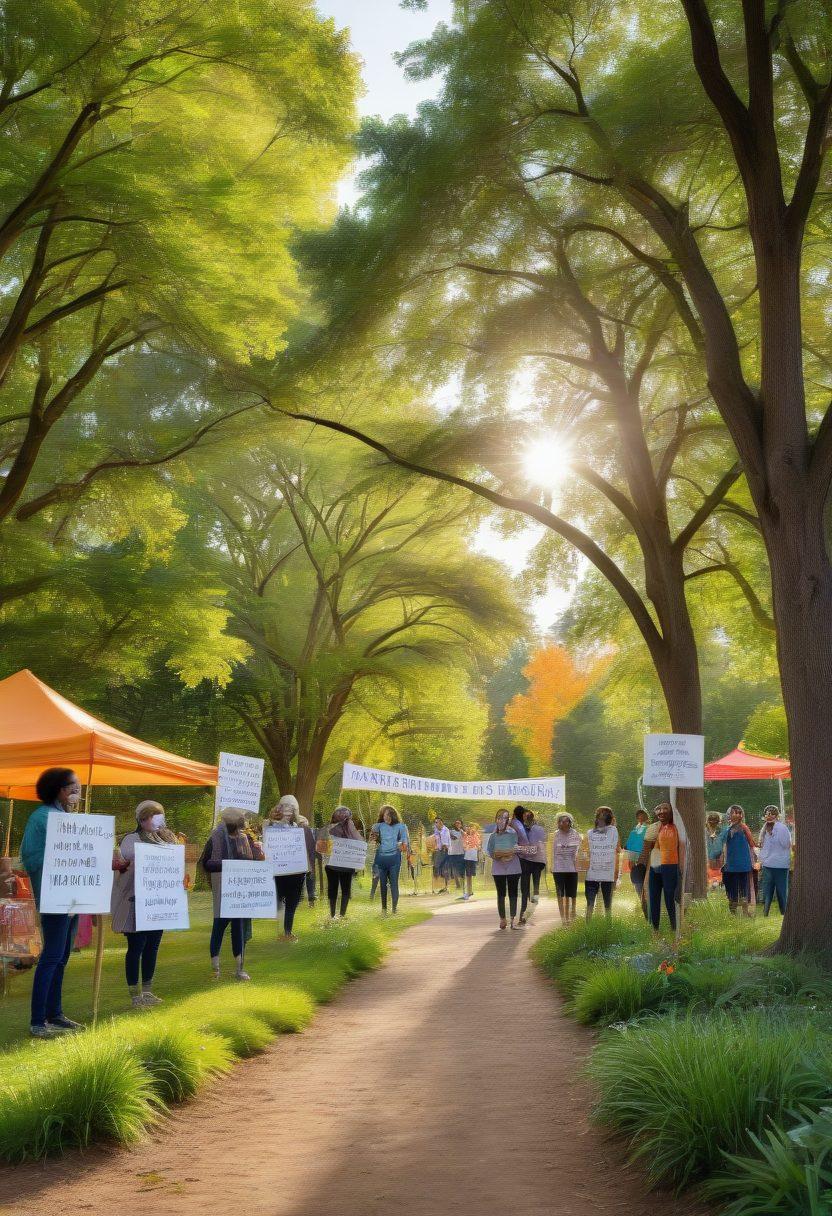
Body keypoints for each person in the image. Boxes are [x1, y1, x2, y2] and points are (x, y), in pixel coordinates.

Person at [20, 768, 85, 1038]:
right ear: (60, 789)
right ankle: (38, 1021)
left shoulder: (62, 817)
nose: (77, 793)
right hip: (54, 896)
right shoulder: (45, 818)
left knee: (62, 957)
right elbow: (34, 859)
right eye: (74, 787)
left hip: (71, 897)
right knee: (52, 956)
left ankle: (54, 1014)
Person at [111, 800, 180, 1007]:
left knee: (153, 946)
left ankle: (148, 991)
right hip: (136, 903)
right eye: (153, 816)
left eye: (160, 816)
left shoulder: (165, 840)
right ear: (142, 820)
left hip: (158, 903)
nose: (158, 821)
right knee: (137, 946)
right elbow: (127, 863)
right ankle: (135, 995)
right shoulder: (131, 840)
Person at [200, 806, 263, 980]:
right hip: (223, 889)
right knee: (219, 926)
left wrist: (258, 852)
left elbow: (254, 861)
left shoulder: (245, 838)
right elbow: (206, 863)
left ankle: (240, 968)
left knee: (239, 927)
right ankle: (215, 968)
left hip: (241, 890)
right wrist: (228, 865)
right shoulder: (216, 837)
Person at [263, 795, 316, 941]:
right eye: (284, 807)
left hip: (296, 873)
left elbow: (308, 846)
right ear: (279, 808)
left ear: (295, 810)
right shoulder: (270, 825)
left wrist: (309, 867)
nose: (288, 811)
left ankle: (287, 932)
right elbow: (266, 838)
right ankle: (281, 932)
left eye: (291, 808)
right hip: (279, 873)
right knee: (279, 902)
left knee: (293, 903)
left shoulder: (300, 825)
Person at [643, 802, 683, 933]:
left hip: (670, 866)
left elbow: (682, 847)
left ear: (671, 811)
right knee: (654, 899)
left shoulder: (676, 826)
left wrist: (681, 866)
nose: (661, 811)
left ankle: (674, 928)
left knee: (669, 898)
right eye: (658, 809)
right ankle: (655, 930)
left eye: (665, 808)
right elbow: (649, 849)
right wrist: (648, 871)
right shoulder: (654, 828)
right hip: (655, 866)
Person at [324, 806, 364, 919]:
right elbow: (360, 843)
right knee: (345, 889)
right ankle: (341, 915)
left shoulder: (329, 828)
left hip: (333, 865)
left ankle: (333, 915)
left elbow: (323, 846)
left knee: (333, 889)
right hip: (345, 865)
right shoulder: (349, 828)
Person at [369, 805, 409, 915]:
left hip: (394, 859)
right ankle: (384, 910)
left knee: (393, 883)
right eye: (384, 815)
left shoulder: (401, 827)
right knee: (382, 884)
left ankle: (394, 909)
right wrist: (374, 836)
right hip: (382, 859)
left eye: (388, 814)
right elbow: (372, 839)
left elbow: (405, 845)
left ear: (393, 815)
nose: (386, 817)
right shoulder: (378, 826)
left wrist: (401, 845)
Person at [486, 809, 522, 929]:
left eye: (504, 818)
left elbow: (516, 849)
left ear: (508, 820)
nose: (501, 820)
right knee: (501, 894)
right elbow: (491, 852)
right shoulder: (493, 836)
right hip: (498, 869)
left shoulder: (513, 833)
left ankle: (513, 919)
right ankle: (502, 919)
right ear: (496, 819)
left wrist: (506, 854)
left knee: (513, 893)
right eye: (499, 817)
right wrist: (499, 856)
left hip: (513, 868)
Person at [722, 804, 757, 917]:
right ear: (729, 815)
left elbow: (751, 843)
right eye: (734, 812)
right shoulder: (727, 829)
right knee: (732, 889)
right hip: (731, 865)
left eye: (739, 812)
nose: (737, 814)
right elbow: (722, 844)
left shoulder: (744, 828)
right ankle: (733, 913)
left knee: (743, 888)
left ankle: (745, 912)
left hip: (743, 864)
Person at [585, 807, 620, 920]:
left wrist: (616, 873)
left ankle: (608, 927)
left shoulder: (613, 831)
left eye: (605, 815)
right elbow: (586, 852)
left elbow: (617, 850)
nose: (602, 818)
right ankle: (588, 928)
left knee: (608, 904)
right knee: (590, 903)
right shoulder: (590, 833)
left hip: (607, 874)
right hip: (592, 874)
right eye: (600, 815)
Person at [758, 805, 792, 916]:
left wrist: (774, 834)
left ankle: (784, 914)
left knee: (781, 891)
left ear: (777, 816)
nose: (769, 816)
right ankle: (765, 914)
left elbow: (786, 844)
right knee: (767, 891)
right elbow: (763, 847)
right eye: (767, 814)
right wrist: (762, 860)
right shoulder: (764, 829)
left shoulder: (782, 828)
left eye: (772, 813)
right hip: (768, 865)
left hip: (780, 865)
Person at [517, 808, 547, 923]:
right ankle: (522, 915)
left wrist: (521, 848)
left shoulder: (538, 829)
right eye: (524, 815)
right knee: (525, 889)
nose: (526, 818)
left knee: (535, 886)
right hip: (525, 861)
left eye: (528, 816)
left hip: (536, 861)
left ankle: (531, 908)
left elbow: (534, 847)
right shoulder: (518, 828)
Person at [552, 812, 581, 924]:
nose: (563, 823)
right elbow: (551, 851)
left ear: (570, 822)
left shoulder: (575, 834)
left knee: (571, 894)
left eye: (565, 821)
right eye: (561, 821)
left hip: (572, 868)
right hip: (558, 868)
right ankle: (563, 918)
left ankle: (572, 913)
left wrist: (579, 864)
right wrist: (551, 865)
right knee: (560, 893)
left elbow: (579, 851)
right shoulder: (555, 835)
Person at [623, 809, 650, 914]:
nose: (640, 818)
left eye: (642, 816)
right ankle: (644, 908)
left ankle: (649, 908)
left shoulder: (649, 828)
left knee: (646, 886)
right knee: (638, 885)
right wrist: (631, 861)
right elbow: (629, 847)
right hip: (634, 862)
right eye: (638, 817)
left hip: (646, 860)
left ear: (646, 817)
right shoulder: (634, 830)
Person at [431, 817, 452, 894]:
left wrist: (441, 851)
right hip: (439, 851)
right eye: (435, 822)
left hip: (445, 851)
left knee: (444, 869)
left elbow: (445, 844)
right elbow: (435, 839)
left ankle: (446, 888)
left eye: (437, 822)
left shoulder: (445, 831)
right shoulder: (436, 830)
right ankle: (441, 886)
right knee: (437, 867)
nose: (435, 824)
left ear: (441, 823)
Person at [461, 823, 481, 900]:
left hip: (472, 857)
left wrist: (473, 847)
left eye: (472, 827)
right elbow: (464, 844)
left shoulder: (476, 836)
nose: (470, 829)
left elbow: (478, 846)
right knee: (468, 875)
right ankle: (469, 891)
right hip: (467, 857)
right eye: (469, 827)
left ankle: (469, 892)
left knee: (469, 875)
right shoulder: (466, 836)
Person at [706, 812, 726, 888]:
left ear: (718, 822)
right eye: (711, 820)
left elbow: (724, 844)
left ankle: (718, 882)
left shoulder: (721, 831)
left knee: (718, 868)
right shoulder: (706, 831)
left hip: (719, 855)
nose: (713, 822)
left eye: (715, 820)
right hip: (709, 857)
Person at [447, 818, 466, 892]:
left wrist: (460, 829)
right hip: (452, 853)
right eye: (456, 823)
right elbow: (447, 833)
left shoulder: (462, 832)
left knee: (461, 869)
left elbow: (465, 836)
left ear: (461, 824)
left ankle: (463, 884)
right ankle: (458, 885)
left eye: (459, 823)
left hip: (461, 853)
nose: (457, 824)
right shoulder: (451, 831)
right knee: (454, 869)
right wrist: (451, 835)